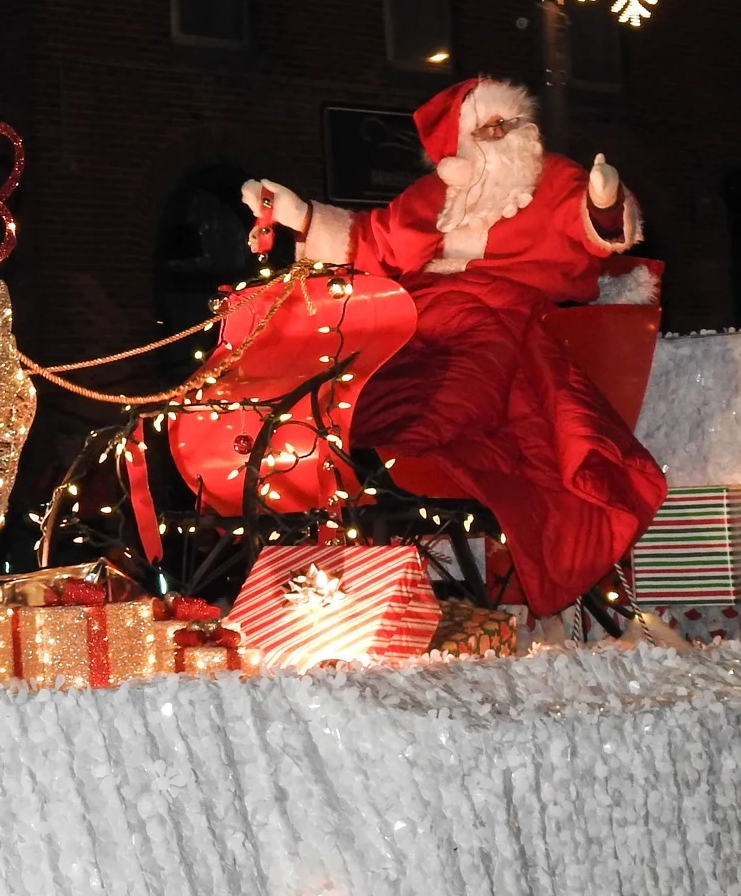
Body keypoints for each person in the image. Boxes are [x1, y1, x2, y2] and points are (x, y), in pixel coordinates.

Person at [242, 76, 667, 618]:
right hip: (415, 301)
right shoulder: (432, 199)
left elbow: (595, 229)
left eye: (509, 124)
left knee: (476, 342)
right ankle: (340, 429)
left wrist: (605, 203)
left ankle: (420, 428)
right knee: (356, 337)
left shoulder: (555, 178)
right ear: (458, 149)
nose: (506, 135)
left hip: (504, 301)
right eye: (490, 129)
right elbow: (372, 239)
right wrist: (301, 216)